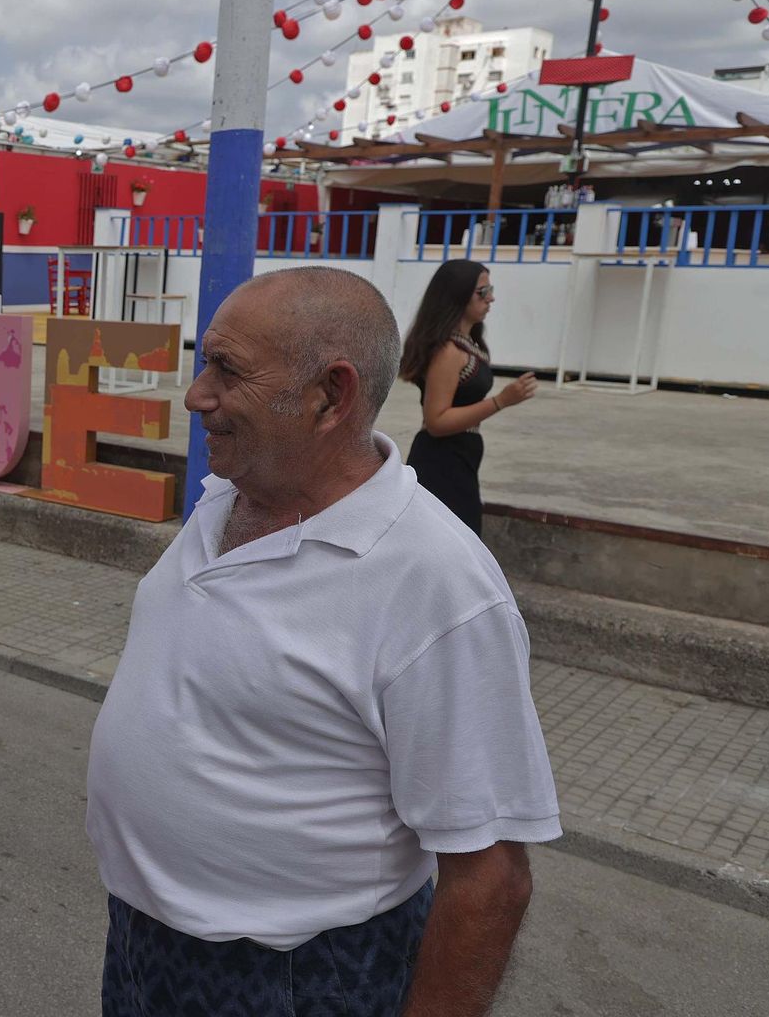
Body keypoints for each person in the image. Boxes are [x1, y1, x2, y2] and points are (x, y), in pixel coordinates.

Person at [86, 266, 561, 1017]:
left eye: (227, 370)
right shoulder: (229, 497)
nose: (196, 394)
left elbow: (491, 875)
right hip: (148, 941)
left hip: (296, 978)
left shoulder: (436, 582)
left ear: (330, 396)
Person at [399, 260, 537, 533]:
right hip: (441, 460)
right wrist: (500, 401)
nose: (491, 299)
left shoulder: (469, 344)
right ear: (459, 296)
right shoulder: (449, 351)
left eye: (490, 290)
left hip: (461, 456)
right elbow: (436, 421)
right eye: (483, 293)